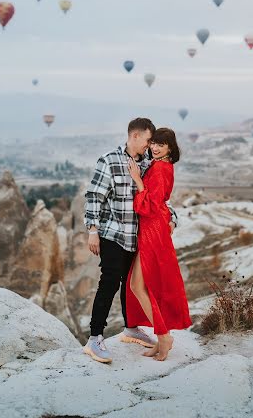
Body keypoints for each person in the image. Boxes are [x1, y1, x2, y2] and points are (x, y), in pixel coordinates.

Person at [83, 118, 178, 364]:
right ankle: (94, 337)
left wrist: (173, 219)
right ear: (135, 136)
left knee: (131, 284)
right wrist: (93, 230)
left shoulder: (148, 164)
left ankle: (131, 328)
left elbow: (159, 199)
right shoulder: (109, 161)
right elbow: (94, 196)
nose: (150, 146)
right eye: (148, 140)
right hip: (114, 233)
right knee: (110, 281)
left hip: (138, 237)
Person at [127, 127, 192, 361]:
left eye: (160, 145)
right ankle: (162, 335)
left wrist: (137, 181)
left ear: (170, 148)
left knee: (139, 285)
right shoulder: (158, 165)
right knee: (139, 286)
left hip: (153, 230)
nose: (154, 147)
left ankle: (164, 336)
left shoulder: (163, 168)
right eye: (153, 143)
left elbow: (151, 205)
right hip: (151, 229)